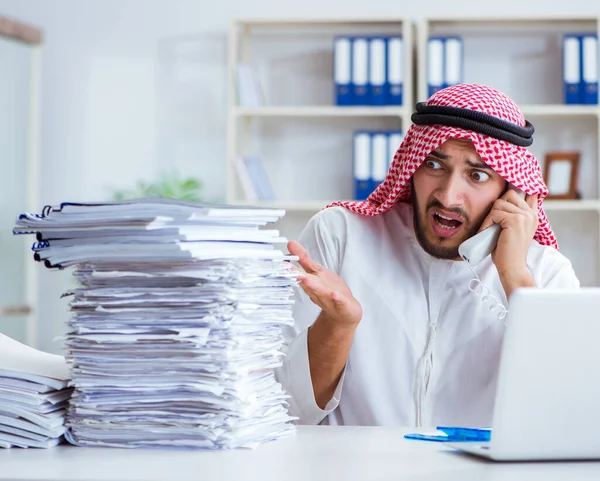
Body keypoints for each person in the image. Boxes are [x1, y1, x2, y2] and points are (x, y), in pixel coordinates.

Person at [274, 83, 580, 428]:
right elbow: (285, 413)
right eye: (434, 164)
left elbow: (567, 419)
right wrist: (337, 325)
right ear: (412, 167)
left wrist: (514, 278)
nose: (449, 197)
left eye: (478, 175)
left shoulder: (547, 273)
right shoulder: (341, 236)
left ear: (511, 191)